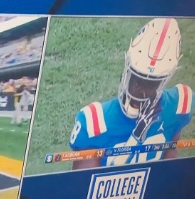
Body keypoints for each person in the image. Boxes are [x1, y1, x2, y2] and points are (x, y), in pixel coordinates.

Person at [69, 18, 193, 169]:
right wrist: (136, 137)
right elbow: (85, 185)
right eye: (137, 80)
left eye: (151, 83)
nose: (141, 91)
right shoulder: (94, 121)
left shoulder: (179, 105)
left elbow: (168, 165)